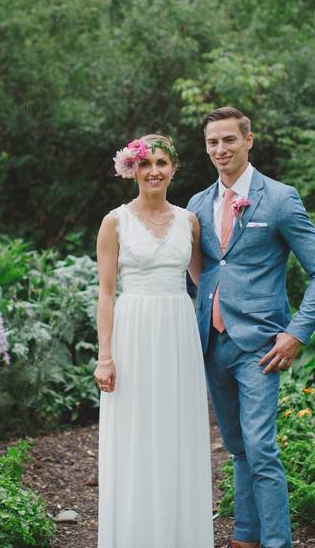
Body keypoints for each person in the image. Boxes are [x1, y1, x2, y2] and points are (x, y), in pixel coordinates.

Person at [186, 107, 315, 548]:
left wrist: (296, 333)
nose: (220, 149)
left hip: (261, 346)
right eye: (213, 142)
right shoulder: (197, 204)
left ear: (248, 141)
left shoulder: (279, 198)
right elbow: (200, 271)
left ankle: (277, 542)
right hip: (212, 343)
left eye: (229, 140)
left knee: (261, 449)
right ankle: (245, 538)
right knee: (237, 448)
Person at [95, 134, 214, 548]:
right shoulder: (115, 222)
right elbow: (106, 294)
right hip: (134, 330)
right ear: (133, 170)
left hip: (178, 332)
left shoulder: (189, 222)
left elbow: (202, 280)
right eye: (146, 165)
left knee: (177, 427)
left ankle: (180, 534)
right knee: (136, 431)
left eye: (162, 163)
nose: (154, 171)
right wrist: (105, 357)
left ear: (174, 169)